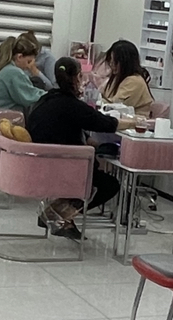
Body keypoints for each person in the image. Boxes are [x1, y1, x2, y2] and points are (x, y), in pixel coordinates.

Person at [26, 56, 120, 239]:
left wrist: (88, 140)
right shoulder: (72, 105)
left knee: (94, 172)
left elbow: (63, 127)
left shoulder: (45, 100)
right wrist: (131, 122)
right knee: (109, 185)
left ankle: (54, 214)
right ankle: (58, 215)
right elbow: (106, 123)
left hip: (40, 163)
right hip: (66, 167)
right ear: (78, 77)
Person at [0, 34, 49, 112]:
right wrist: (51, 96)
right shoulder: (13, 72)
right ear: (19, 57)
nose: (28, 66)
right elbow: (30, 96)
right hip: (0, 117)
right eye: (28, 61)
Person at [100, 39, 155, 116]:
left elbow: (116, 105)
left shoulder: (134, 81)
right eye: (110, 60)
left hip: (134, 120)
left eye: (114, 61)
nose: (111, 64)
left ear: (125, 62)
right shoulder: (117, 78)